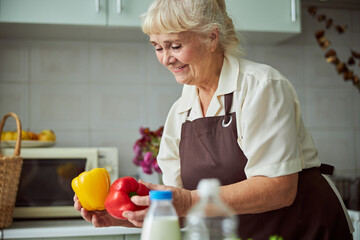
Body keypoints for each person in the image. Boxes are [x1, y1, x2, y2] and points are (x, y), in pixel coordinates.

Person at [74, 0, 354, 239]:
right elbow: (181, 211)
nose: (166, 59)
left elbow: (279, 188)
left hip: (304, 231)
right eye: (158, 47)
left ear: (211, 37)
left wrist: (187, 201)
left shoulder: (260, 86)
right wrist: (123, 215)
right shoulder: (180, 112)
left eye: (175, 45)